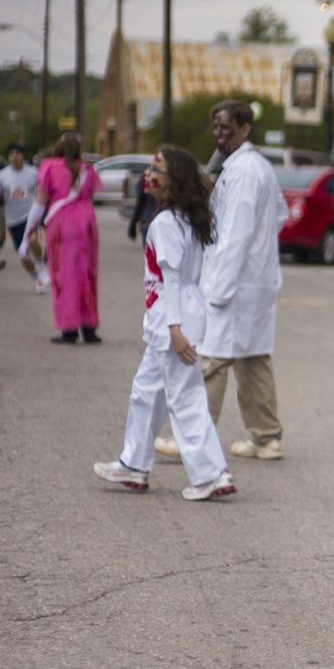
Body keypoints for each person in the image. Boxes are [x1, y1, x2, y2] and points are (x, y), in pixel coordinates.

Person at [93, 146, 237, 501]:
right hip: (176, 315)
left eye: (156, 169)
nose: (148, 175)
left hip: (171, 320)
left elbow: (171, 278)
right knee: (146, 393)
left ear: (174, 181)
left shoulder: (166, 224)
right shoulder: (184, 219)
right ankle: (134, 464)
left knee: (186, 398)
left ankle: (210, 475)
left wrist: (174, 329)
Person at [155, 99, 288, 461]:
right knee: (253, 357)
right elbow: (279, 213)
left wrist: (217, 289)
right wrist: (262, 250)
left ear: (245, 129)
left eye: (226, 127)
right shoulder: (255, 166)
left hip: (234, 283)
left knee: (210, 360)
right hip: (255, 280)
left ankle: (192, 438)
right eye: (215, 127)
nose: (219, 134)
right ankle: (266, 438)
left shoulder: (244, 170)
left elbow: (235, 234)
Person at [18, 133, 103, 344]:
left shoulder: (50, 167)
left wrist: (27, 236)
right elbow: (90, 198)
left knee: (64, 276)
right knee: (87, 275)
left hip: (62, 226)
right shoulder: (88, 169)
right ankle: (89, 329)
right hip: (86, 225)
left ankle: (69, 329)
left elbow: (39, 204)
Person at [0, 142, 50, 292]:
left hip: (30, 216)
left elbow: (44, 193)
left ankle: (41, 265)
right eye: (12, 154)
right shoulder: (2, 177)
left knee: (33, 240)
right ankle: (37, 279)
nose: (15, 156)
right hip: (13, 220)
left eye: (18, 153)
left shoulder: (34, 173)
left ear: (23, 156)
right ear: (9, 157)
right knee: (23, 255)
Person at [127, 167, 157, 246]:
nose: (146, 172)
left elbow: (139, 203)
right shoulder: (145, 180)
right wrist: (133, 223)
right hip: (146, 220)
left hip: (148, 220)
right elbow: (139, 203)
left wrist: (133, 223)